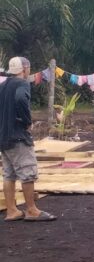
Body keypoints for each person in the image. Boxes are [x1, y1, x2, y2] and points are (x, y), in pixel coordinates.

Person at [1, 57, 54, 222]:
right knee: (27, 173)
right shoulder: (22, 84)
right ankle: (31, 209)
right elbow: (21, 99)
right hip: (18, 137)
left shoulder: (2, 86)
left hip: (4, 137)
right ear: (24, 68)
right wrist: (26, 121)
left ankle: (11, 210)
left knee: (9, 174)